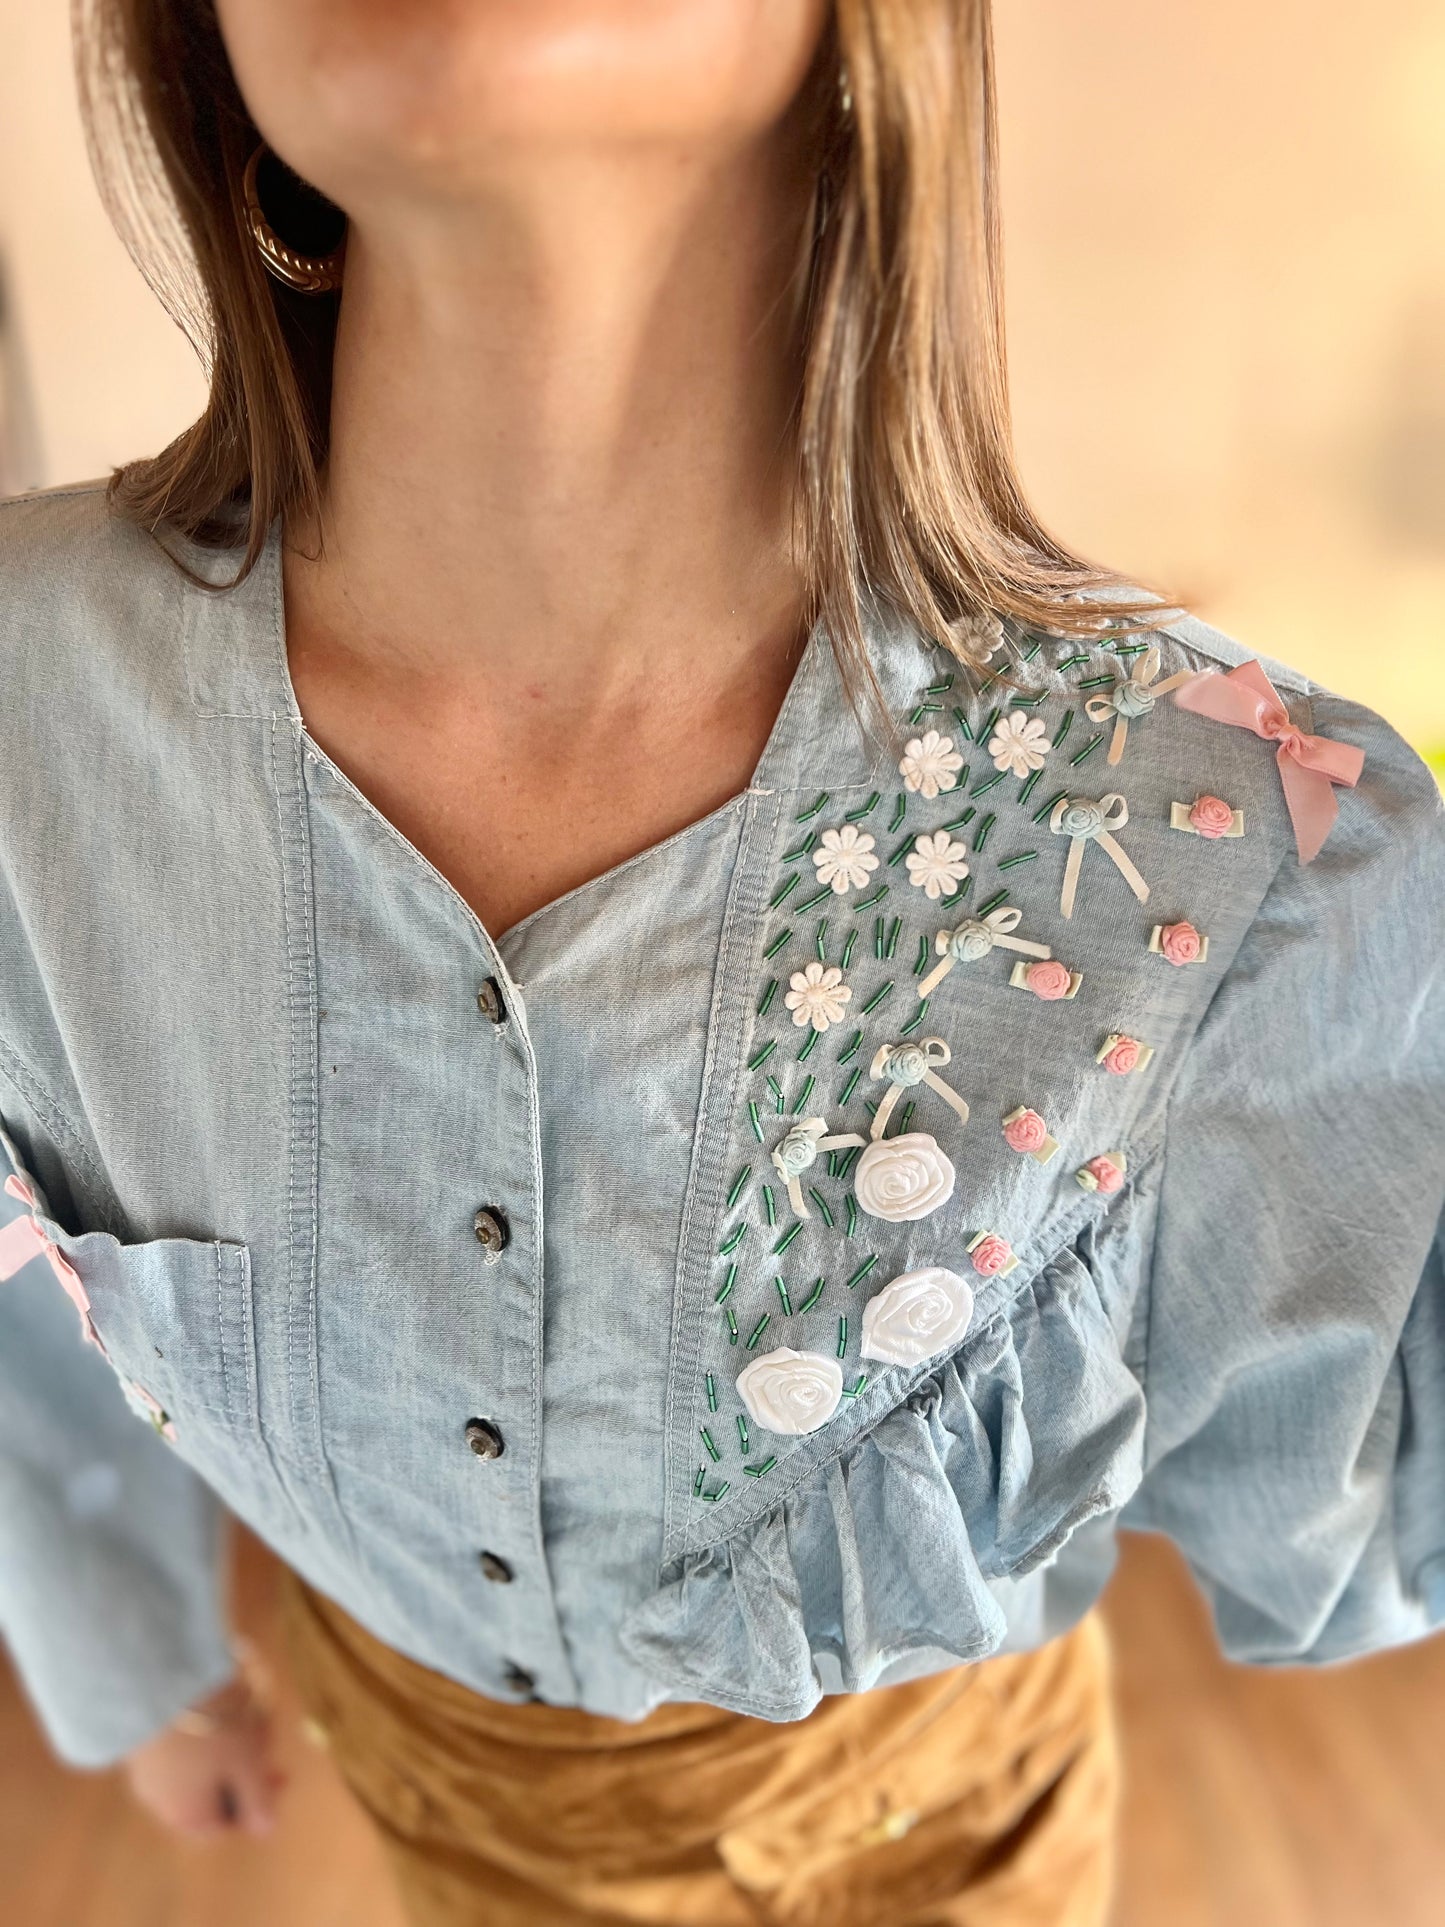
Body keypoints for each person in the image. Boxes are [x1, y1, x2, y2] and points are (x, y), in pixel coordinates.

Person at [1, 2, 1441, 1922]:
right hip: (427, 1809)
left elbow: (1351, 1494)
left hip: (951, 1846)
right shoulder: (24, 732)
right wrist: (119, 1644)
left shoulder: (1255, 844)